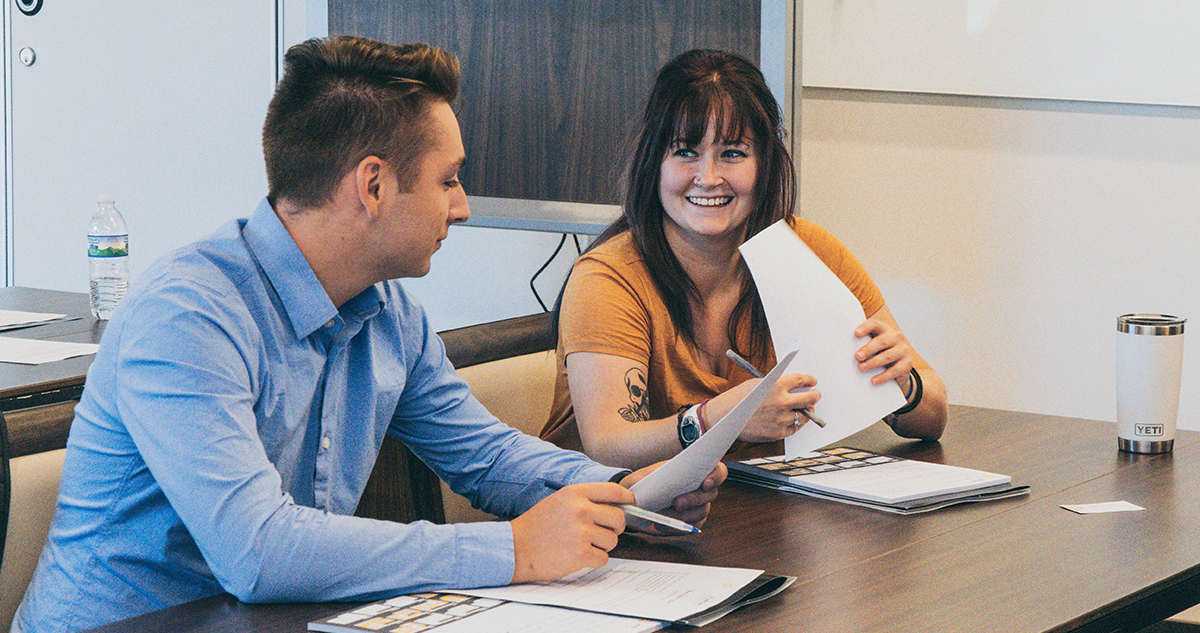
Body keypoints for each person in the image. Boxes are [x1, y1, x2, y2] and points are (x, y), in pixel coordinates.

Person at [13, 36, 724, 633]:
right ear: (373, 185)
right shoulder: (188, 315)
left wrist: (627, 491)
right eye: (448, 180)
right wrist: (511, 549)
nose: (464, 207)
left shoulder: (387, 310)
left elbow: (485, 455)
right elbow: (257, 551)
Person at [540, 49, 947, 470]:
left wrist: (905, 384)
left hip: (750, 504)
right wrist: (722, 419)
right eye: (684, 152)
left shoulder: (809, 250)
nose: (709, 177)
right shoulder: (607, 278)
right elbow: (608, 444)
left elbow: (934, 418)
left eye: (733, 153)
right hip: (611, 517)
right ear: (653, 163)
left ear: (765, 163)